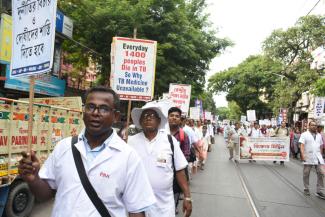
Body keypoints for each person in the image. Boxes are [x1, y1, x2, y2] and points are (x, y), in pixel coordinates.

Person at [18, 86, 156, 217]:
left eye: (103, 109)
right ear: (84, 111)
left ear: (116, 117)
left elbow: (137, 210)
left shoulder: (128, 157)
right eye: (90, 107)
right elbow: (45, 195)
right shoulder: (64, 147)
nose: (95, 113)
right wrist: (33, 179)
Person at [128, 104, 192, 217]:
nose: (148, 117)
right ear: (141, 121)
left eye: (152, 115)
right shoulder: (130, 142)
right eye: (145, 115)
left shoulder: (169, 140)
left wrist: (187, 197)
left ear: (159, 121)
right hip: (136, 203)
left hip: (164, 205)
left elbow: (180, 171)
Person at [168, 107, 191, 210]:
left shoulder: (183, 136)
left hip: (176, 176)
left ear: (180, 119)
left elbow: (186, 155)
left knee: (172, 204)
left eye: (177, 116)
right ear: (167, 117)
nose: (174, 118)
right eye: (172, 115)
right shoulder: (160, 132)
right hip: (161, 172)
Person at [299, 120, 325, 199]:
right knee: (306, 173)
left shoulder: (319, 135)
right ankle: (306, 188)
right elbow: (302, 145)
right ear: (309, 126)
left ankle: (319, 191)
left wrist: (320, 154)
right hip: (308, 156)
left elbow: (321, 146)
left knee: (321, 173)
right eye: (312, 125)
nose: (314, 126)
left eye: (315, 125)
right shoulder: (304, 134)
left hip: (318, 157)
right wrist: (303, 155)